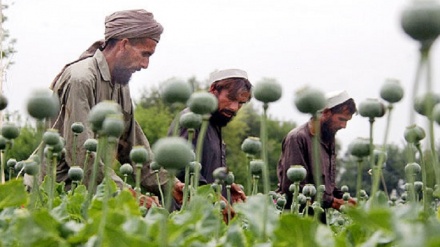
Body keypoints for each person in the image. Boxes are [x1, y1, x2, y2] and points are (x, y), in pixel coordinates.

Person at [37, 9, 183, 206]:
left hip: (91, 197)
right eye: (144, 54)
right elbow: (81, 156)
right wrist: (128, 195)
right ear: (123, 44)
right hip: (54, 198)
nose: (146, 64)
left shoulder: (121, 85)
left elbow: (134, 149)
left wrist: (171, 185)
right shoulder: (81, 79)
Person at [170, 69, 251, 204]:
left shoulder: (214, 123)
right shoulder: (191, 118)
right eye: (230, 99)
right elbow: (180, 167)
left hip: (209, 211)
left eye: (241, 103)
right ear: (213, 89)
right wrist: (212, 197)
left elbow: (208, 169)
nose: (235, 108)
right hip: (186, 214)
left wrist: (228, 186)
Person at [276, 90, 357, 212]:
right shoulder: (297, 138)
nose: (343, 126)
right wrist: (334, 202)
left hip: (318, 212)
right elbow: (293, 187)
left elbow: (326, 185)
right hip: (295, 213)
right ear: (326, 112)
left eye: (347, 121)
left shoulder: (328, 138)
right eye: (341, 119)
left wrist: (345, 198)